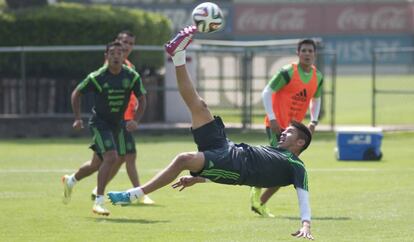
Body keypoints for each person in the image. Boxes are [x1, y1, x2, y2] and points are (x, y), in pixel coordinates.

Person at [107, 26, 315, 240]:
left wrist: (306, 224)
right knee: (200, 106)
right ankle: (178, 55)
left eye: (288, 133)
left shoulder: (296, 166)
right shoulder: (275, 151)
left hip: (232, 163)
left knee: (183, 159)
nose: (282, 134)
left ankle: (133, 195)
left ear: (300, 143)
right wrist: (201, 178)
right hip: (227, 147)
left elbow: (303, 197)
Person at [61, 41, 147, 216]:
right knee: (111, 157)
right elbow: (76, 93)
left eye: (119, 53)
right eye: (112, 53)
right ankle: (99, 201)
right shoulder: (97, 77)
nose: (116, 56)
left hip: (117, 124)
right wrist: (77, 118)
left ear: (124, 57)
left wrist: (136, 120)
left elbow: (143, 99)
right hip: (99, 124)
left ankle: (71, 180)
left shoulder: (131, 76)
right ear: (106, 56)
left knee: (95, 164)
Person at [251, 39, 323, 217]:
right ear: (298, 53)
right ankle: (257, 193)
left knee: (285, 168)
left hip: (294, 131)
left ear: (315, 54)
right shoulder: (288, 72)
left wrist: (313, 121)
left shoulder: (318, 77)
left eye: (310, 51)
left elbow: (316, 99)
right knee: (283, 166)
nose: (307, 54)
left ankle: (259, 201)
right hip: (278, 127)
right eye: (304, 51)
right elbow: (267, 91)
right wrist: (273, 119)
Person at [88, 31, 154, 205]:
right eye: (124, 42)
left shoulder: (128, 65)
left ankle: (93, 187)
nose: (127, 46)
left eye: (131, 43)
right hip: (119, 119)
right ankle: (138, 193)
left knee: (115, 158)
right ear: (117, 43)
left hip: (127, 118)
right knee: (122, 157)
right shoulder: (113, 64)